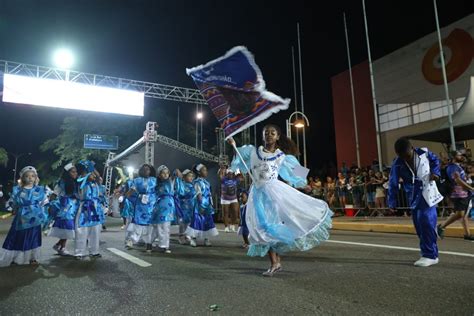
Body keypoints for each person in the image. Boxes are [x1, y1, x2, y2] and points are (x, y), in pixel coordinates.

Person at [229, 124, 332, 276]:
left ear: (277, 137)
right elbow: (238, 162)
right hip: (257, 195)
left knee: (273, 226)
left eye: (272, 133)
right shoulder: (252, 151)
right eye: (266, 133)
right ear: (262, 136)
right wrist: (234, 146)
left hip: (274, 194)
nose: (269, 135)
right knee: (263, 228)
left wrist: (305, 183)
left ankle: (276, 262)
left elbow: (298, 171)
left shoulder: (282, 156)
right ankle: (275, 262)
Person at [388, 138, 443, 267]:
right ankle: (431, 252)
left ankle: (430, 255)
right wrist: (392, 201)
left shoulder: (424, 153)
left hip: (428, 193)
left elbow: (435, 161)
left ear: (412, 148)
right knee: (419, 226)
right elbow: (393, 183)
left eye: (407, 156)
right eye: (401, 156)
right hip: (413, 196)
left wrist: (435, 173)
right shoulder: (397, 163)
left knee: (425, 221)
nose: (405, 159)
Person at [0, 166, 49, 266]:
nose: (30, 178)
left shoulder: (39, 190)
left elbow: (44, 202)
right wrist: (13, 208)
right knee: (19, 237)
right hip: (21, 219)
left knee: (34, 237)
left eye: (32, 176)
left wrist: (44, 215)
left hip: (35, 218)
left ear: (36, 178)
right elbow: (12, 202)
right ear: (22, 178)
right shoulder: (17, 190)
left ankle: (33, 258)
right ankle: (16, 258)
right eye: (27, 176)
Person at [437, 151, 474, 241]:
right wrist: (471, 188)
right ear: (453, 157)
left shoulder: (458, 166)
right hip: (458, 194)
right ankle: (441, 226)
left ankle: (467, 234)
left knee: (463, 214)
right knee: (460, 214)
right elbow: (458, 181)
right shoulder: (452, 168)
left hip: (464, 193)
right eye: (459, 155)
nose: (461, 156)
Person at [74, 160, 103, 260]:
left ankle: (94, 251)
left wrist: (92, 167)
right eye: (90, 173)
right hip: (84, 207)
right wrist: (86, 173)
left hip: (95, 208)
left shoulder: (95, 183)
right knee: (82, 230)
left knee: (95, 230)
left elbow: (99, 178)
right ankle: (79, 252)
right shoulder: (80, 181)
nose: (93, 175)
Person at [48, 163, 79, 256]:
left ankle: (59, 246)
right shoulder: (61, 182)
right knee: (68, 227)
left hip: (73, 206)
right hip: (65, 207)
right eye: (73, 172)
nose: (75, 173)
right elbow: (54, 194)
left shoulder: (75, 182)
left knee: (69, 227)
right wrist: (50, 205)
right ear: (67, 173)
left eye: (76, 172)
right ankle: (61, 247)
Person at [186, 163, 218, 247]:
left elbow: (209, 194)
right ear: (199, 172)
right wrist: (201, 205)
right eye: (204, 170)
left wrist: (210, 204)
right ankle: (193, 238)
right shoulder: (197, 182)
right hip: (200, 205)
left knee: (207, 221)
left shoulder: (207, 182)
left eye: (206, 170)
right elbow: (199, 194)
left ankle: (206, 239)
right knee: (197, 221)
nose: (206, 171)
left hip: (207, 204)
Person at [126, 164, 156, 251]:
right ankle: (131, 240)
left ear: (150, 171)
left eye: (148, 169)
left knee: (150, 224)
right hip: (140, 204)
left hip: (151, 204)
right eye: (144, 169)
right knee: (137, 223)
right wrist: (131, 197)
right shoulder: (137, 181)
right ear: (141, 171)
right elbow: (130, 192)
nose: (146, 171)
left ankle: (149, 242)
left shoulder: (154, 180)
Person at [151, 165, 179, 254]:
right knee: (158, 226)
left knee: (165, 226)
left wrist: (176, 171)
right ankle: (161, 245)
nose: (166, 175)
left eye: (167, 173)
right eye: (163, 173)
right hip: (159, 206)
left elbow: (175, 174)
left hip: (169, 206)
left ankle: (163, 245)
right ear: (159, 175)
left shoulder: (170, 181)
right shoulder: (156, 184)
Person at [175, 169, 197, 245]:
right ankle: (181, 236)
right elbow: (179, 193)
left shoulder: (193, 185)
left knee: (190, 221)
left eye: (192, 176)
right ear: (184, 177)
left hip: (191, 205)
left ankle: (188, 235)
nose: (191, 178)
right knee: (182, 222)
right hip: (183, 205)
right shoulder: (181, 184)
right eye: (189, 176)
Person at [218, 166, 240, 233]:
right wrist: (221, 168)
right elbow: (220, 174)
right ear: (227, 174)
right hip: (225, 199)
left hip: (234, 198)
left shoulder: (235, 179)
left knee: (235, 213)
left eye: (232, 173)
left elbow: (242, 177)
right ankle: (226, 227)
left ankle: (232, 225)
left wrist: (239, 170)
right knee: (226, 213)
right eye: (229, 173)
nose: (230, 175)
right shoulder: (223, 179)